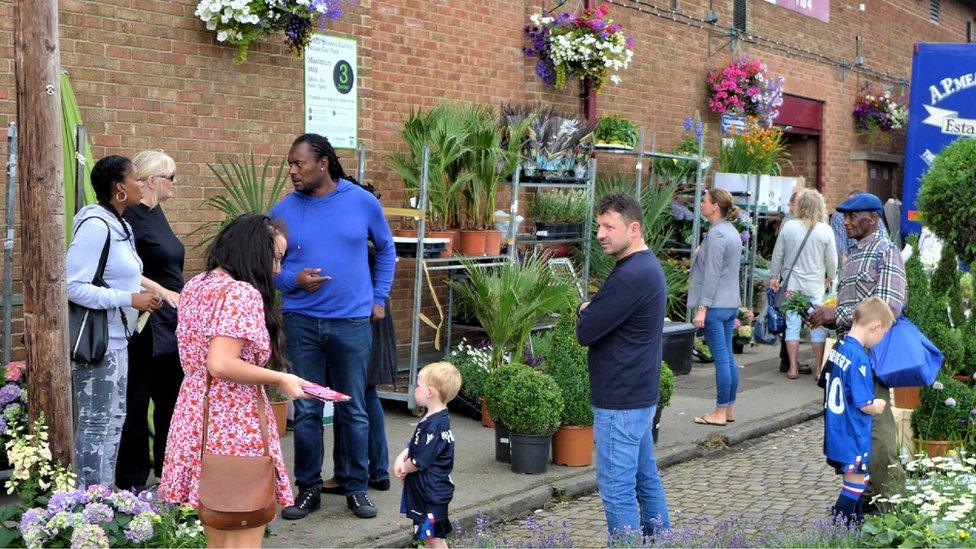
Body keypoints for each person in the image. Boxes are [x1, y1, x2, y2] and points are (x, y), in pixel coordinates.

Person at [158, 214, 312, 548]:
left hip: (196, 418)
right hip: (234, 423)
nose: (276, 269)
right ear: (253, 252)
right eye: (275, 258)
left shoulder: (198, 285)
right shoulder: (241, 293)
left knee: (218, 535)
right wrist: (281, 377)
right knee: (244, 536)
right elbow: (221, 363)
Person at [272, 133, 396, 520]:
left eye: (299, 163)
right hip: (302, 323)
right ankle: (307, 488)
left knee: (353, 409)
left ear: (323, 163)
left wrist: (379, 298)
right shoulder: (282, 211)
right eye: (289, 164)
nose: (292, 171)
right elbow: (269, 268)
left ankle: (356, 489)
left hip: (351, 324)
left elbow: (387, 249)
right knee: (307, 411)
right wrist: (294, 280)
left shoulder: (362, 202)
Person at [576, 193, 669, 538]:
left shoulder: (631, 275)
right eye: (598, 225)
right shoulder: (643, 268)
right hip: (638, 396)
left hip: (621, 402)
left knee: (618, 491)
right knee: (645, 481)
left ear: (633, 228)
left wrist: (584, 310)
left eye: (608, 226)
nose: (600, 233)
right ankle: (661, 543)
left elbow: (587, 331)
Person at [67, 155, 163, 487]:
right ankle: (86, 502)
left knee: (115, 420)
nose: (141, 183)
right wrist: (129, 299)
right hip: (98, 343)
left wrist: (142, 295)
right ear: (120, 188)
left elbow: (117, 279)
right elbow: (74, 287)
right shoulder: (95, 225)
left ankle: (104, 500)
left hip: (120, 340)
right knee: (95, 422)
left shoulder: (120, 224)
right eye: (136, 179)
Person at [809, 192, 907, 508]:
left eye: (853, 217)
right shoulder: (855, 254)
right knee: (854, 428)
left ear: (873, 218)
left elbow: (887, 309)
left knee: (877, 430)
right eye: (845, 217)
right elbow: (857, 305)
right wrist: (825, 310)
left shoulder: (885, 252)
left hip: (870, 357)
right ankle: (866, 497)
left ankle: (892, 505)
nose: (847, 222)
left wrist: (835, 315)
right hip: (850, 353)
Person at [116, 150, 185, 491]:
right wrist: (162, 292)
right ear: (153, 181)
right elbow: (126, 268)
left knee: (171, 399)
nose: (175, 184)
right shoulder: (131, 219)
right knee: (137, 400)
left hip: (171, 320)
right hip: (145, 321)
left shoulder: (158, 215)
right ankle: (132, 481)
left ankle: (168, 473)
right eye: (171, 177)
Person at [821, 297, 893, 524]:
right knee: (854, 485)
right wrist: (879, 405)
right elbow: (864, 403)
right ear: (875, 327)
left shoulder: (839, 347)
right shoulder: (859, 357)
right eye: (882, 335)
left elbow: (824, 380)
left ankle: (855, 525)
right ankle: (837, 528)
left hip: (837, 429)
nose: (880, 341)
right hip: (852, 433)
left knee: (858, 481)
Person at [688, 189, 743, 427]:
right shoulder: (730, 231)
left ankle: (719, 412)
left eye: (705, 201)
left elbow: (712, 275)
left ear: (715, 207)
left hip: (716, 305)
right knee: (728, 358)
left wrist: (702, 308)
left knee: (722, 360)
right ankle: (728, 409)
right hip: (730, 303)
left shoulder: (717, 235)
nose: (701, 204)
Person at [770, 189, 837, 380]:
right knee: (817, 326)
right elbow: (832, 261)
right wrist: (830, 276)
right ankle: (818, 370)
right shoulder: (825, 230)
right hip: (815, 286)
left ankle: (792, 368)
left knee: (792, 326)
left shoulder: (789, 227)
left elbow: (777, 255)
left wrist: (774, 276)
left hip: (792, 285)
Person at [394, 362, 461, 548]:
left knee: (434, 536)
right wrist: (403, 454)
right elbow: (418, 446)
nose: (415, 388)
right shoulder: (435, 418)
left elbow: (419, 461)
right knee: (428, 535)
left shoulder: (434, 426)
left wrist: (403, 467)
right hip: (428, 489)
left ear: (430, 392)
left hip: (430, 492)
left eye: (418, 385)